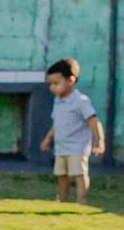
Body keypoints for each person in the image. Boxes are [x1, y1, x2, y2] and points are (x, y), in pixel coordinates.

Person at [41, 58, 105, 203]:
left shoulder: (80, 101)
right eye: (50, 84)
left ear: (70, 80)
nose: (52, 87)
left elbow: (93, 121)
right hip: (61, 146)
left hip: (78, 146)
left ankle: (81, 201)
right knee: (61, 175)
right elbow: (56, 123)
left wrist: (99, 141)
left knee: (79, 174)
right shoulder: (58, 101)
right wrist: (48, 138)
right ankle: (63, 200)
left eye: (56, 83)